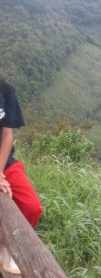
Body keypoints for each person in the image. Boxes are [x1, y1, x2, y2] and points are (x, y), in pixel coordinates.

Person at [0, 79, 43, 275]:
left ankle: (6, 247)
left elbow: (8, 134)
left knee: (31, 207)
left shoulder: (6, 90)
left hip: (4, 162)